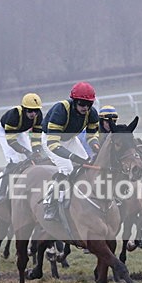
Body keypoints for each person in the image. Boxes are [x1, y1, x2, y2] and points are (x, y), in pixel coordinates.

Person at [41, 81, 101, 221]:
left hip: (71, 139)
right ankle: (50, 202)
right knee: (67, 168)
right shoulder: (60, 110)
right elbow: (54, 144)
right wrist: (73, 157)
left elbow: (92, 136)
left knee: (87, 167)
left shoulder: (92, 113)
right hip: (51, 139)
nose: (85, 107)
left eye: (88, 104)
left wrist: (96, 146)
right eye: (81, 103)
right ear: (74, 101)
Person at [0, 93, 44, 200]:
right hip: (5, 132)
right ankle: (2, 191)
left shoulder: (39, 116)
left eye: (36, 110)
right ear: (24, 108)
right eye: (30, 110)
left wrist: (36, 150)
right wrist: (26, 151)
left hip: (20, 131)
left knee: (32, 158)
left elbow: (36, 137)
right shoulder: (14, 115)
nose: (33, 114)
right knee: (14, 160)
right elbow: (11, 141)